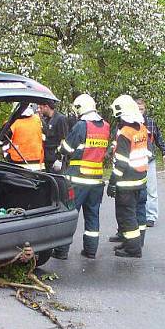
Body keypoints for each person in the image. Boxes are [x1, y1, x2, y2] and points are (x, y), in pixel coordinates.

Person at [51, 94, 110, 260]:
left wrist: (58, 151)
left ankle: (61, 251)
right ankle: (91, 251)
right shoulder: (105, 126)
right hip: (97, 180)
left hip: (78, 179)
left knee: (70, 214)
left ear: (79, 108)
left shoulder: (81, 126)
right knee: (92, 215)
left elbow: (68, 148)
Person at [107, 95, 149, 258]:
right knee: (135, 213)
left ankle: (133, 249)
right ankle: (131, 243)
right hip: (140, 179)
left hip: (127, 182)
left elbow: (122, 163)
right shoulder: (141, 128)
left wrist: (112, 182)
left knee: (127, 215)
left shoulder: (125, 132)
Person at [137, 99, 165, 227]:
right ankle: (139, 215)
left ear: (145, 109)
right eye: (137, 109)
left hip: (149, 161)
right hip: (135, 163)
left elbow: (159, 139)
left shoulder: (150, 123)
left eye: (142, 109)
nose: (139, 111)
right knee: (137, 190)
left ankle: (151, 216)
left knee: (151, 190)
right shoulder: (130, 124)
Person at [2, 105, 44, 170]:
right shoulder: (38, 120)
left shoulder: (13, 123)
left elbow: (2, 139)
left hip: (18, 161)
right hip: (38, 161)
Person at [37, 100, 69, 173]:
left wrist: (60, 159)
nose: (39, 110)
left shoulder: (60, 119)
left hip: (56, 160)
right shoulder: (46, 120)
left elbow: (63, 140)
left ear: (46, 107)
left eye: (41, 108)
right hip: (47, 159)